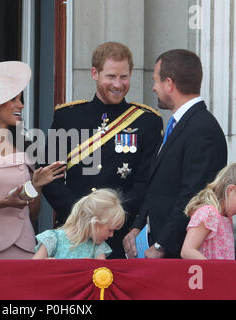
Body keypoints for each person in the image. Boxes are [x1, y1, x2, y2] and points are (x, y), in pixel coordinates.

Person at [41, 41, 163, 259]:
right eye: (111, 76)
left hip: (118, 237)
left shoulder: (147, 121)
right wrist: (83, 219)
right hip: (73, 235)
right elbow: (50, 177)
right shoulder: (67, 117)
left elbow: (145, 183)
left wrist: (111, 221)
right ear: (95, 73)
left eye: (123, 77)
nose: (118, 84)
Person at [123, 49, 228, 259]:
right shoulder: (179, 124)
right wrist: (137, 226)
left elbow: (194, 195)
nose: (153, 87)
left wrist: (162, 245)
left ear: (169, 84)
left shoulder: (202, 129)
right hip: (159, 247)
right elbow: (158, 188)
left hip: (179, 258)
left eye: (156, 81)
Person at [0, 61, 66, 259]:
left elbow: (32, 214)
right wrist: (3, 203)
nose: (21, 105)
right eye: (14, 100)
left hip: (23, 248)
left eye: (21, 99)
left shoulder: (27, 146)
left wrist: (36, 186)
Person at [33, 188, 125, 259]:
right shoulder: (53, 239)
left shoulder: (98, 248)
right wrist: (47, 264)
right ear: (95, 223)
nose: (112, 235)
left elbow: (101, 275)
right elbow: (33, 268)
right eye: (110, 230)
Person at [180, 163, 235, 259]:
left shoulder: (227, 218)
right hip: (209, 273)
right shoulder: (209, 213)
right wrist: (212, 270)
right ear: (231, 190)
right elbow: (187, 250)